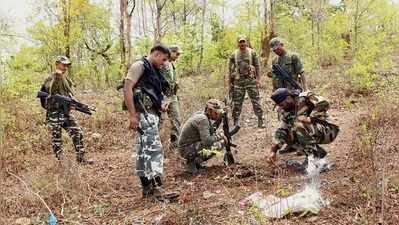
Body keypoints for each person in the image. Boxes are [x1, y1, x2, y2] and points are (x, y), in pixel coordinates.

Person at [123, 44, 178, 201]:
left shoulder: (152, 70)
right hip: (143, 115)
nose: (164, 62)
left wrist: (160, 104)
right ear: (156, 54)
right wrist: (133, 115)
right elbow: (127, 88)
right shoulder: (139, 65)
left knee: (144, 152)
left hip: (150, 114)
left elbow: (151, 92)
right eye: (163, 59)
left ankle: (147, 189)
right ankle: (157, 189)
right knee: (153, 151)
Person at [267, 88, 339, 171]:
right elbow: (282, 130)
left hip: (327, 131)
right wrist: (273, 151)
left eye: (282, 104)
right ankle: (318, 156)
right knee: (288, 134)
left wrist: (310, 118)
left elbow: (324, 103)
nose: (281, 107)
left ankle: (315, 161)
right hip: (308, 131)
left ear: (288, 99)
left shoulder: (304, 97)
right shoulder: (286, 111)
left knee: (299, 125)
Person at [39, 56, 93, 165]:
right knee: (57, 140)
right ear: (57, 64)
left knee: (77, 132)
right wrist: (57, 77)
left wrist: (74, 104)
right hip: (54, 114)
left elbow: (68, 94)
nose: (65, 68)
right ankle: (61, 163)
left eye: (67, 65)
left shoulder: (66, 78)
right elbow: (52, 92)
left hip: (65, 112)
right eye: (63, 65)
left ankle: (81, 159)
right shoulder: (51, 78)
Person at [177, 99, 228, 174]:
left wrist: (219, 119)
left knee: (215, 143)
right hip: (186, 149)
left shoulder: (202, 115)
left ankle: (195, 163)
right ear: (209, 110)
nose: (217, 115)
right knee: (219, 145)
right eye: (216, 113)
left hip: (187, 147)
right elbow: (207, 141)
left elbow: (210, 131)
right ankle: (191, 164)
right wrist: (220, 136)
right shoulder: (203, 119)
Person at [229, 36, 264, 128]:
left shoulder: (252, 53)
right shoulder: (234, 54)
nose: (242, 43)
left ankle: (260, 120)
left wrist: (259, 80)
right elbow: (230, 70)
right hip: (238, 81)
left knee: (256, 101)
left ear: (246, 42)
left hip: (251, 80)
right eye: (240, 42)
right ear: (238, 43)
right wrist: (230, 83)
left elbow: (257, 66)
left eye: (243, 41)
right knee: (237, 103)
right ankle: (236, 122)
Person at [159, 45, 183, 148]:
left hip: (172, 96)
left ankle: (174, 145)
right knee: (159, 121)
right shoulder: (161, 63)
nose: (178, 56)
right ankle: (154, 146)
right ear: (171, 52)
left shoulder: (172, 65)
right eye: (177, 53)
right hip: (162, 96)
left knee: (176, 120)